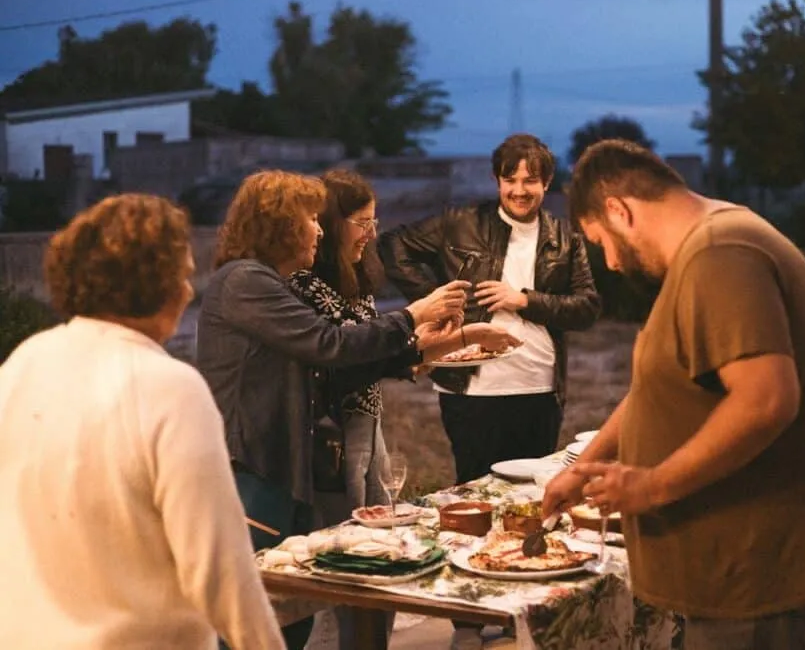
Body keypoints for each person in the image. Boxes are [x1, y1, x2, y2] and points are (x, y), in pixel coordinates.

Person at [543, 139, 805, 650]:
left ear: (619, 209)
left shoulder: (720, 254)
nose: (611, 262)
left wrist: (651, 486)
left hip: (763, 574)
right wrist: (583, 466)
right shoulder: (713, 245)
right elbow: (658, 390)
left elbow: (767, 400)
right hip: (747, 571)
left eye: (602, 242)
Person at [195, 170, 519, 650]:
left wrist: (423, 346)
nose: (320, 229)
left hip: (280, 467)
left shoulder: (267, 283)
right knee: (253, 619)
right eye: (310, 219)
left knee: (288, 615)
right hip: (252, 469)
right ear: (281, 226)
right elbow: (331, 345)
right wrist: (415, 314)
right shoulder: (246, 282)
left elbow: (328, 365)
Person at [0, 194, 284, 649]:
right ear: (159, 285)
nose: (189, 290)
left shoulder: (21, 364)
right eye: (185, 275)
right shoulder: (169, 387)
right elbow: (220, 570)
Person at [379, 134, 601, 485]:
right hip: (471, 389)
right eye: (509, 179)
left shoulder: (565, 237)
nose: (519, 190)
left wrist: (525, 300)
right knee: (475, 488)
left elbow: (587, 307)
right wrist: (435, 301)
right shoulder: (460, 222)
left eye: (530, 180)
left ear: (546, 182)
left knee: (531, 493)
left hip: (538, 388)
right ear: (497, 180)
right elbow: (392, 245)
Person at [288, 169, 423, 649]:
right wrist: (419, 332)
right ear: (329, 224)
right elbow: (344, 358)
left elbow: (373, 350)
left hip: (368, 425)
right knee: (346, 559)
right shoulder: (305, 285)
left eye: (374, 220)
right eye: (360, 222)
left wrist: (424, 350)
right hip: (332, 438)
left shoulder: (356, 277)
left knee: (378, 547)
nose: (371, 233)